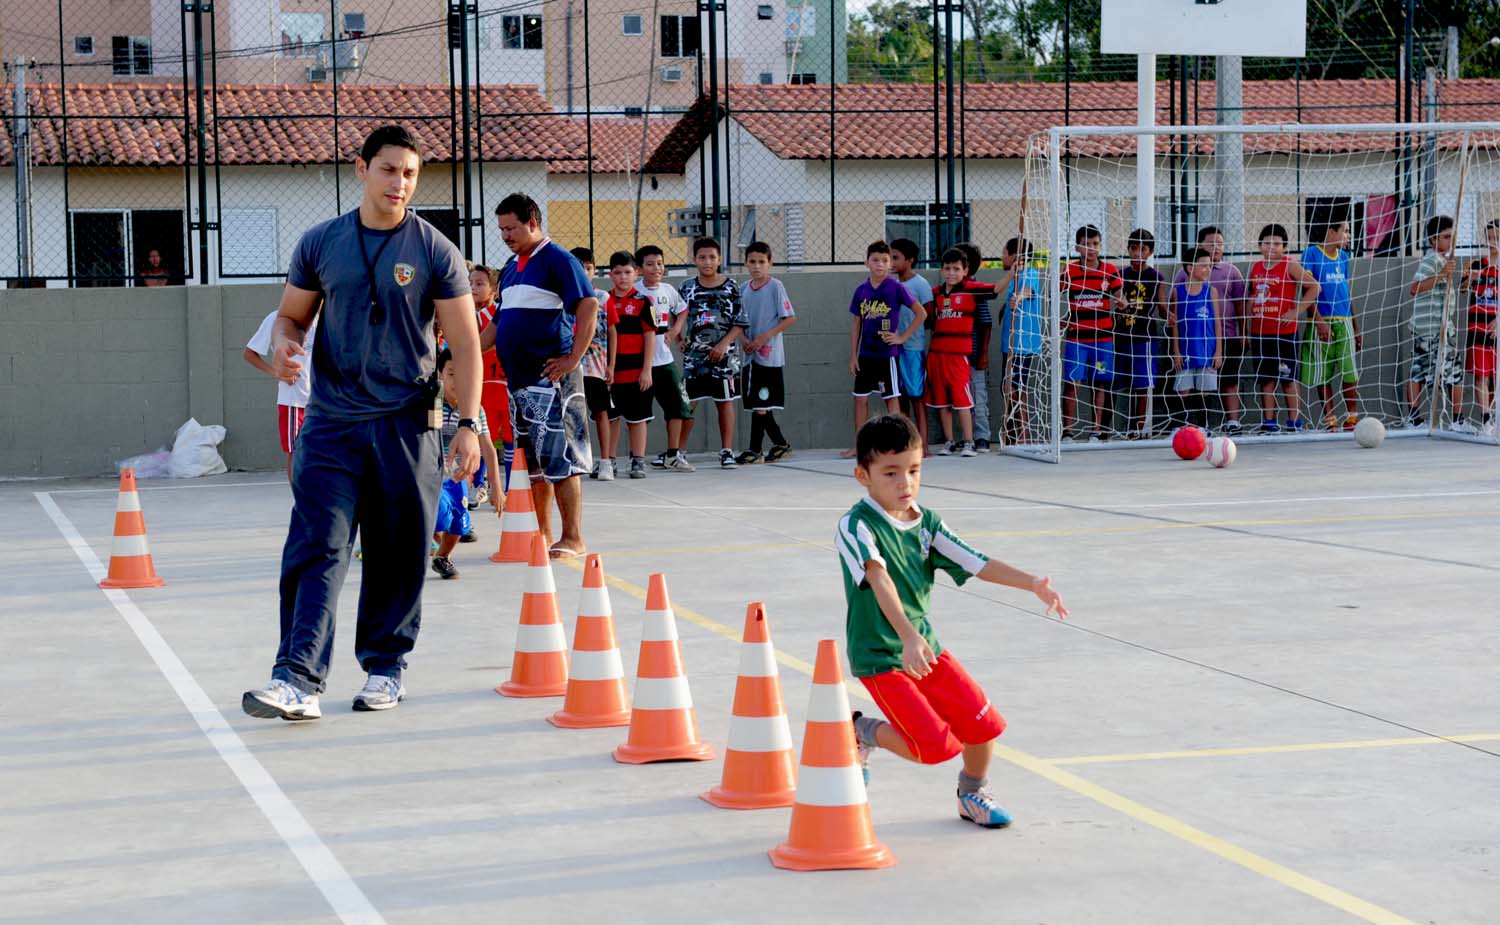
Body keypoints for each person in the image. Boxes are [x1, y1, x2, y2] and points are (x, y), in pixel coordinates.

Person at [241, 124, 481, 721]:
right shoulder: (321, 242)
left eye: (409, 173)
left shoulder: (435, 251)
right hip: (330, 423)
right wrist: (282, 344)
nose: (399, 182)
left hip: (406, 425)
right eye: (388, 169)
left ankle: (385, 667)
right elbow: (291, 318)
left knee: (398, 551)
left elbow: (466, 343)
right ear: (361, 168)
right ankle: (297, 678)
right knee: (316, 545)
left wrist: (469, 423)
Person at [838, 414, 1067, 827]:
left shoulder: (928, 523)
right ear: (862, 476)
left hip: (924, 647)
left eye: (913, 470)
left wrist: (1032, 583)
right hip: (881, 655)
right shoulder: (856, 525)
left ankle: (972, 793)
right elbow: (879, 579)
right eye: (890, 473)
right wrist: (907, 636)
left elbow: (976, 562)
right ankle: (863, 730)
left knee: (982, 725)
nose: (904, 483)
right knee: (932, 747)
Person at [480, 192, 597, 559]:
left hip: (552, 381)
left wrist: (572, 358)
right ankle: (544, 533)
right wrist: (461, 351)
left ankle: (573, 536)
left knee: (561, 459)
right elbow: (498, 324)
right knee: (532, 462)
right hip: (520, 383)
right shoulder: (513, 268)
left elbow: (589, 304)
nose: (505, 235)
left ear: (532, 221)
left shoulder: (558, 260)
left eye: (511, 228)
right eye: (500, 229)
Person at [843, 241, 927, 458]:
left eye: (885, 260)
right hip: (865, 355)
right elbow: (856, 323)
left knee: (891, 399)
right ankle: (860, 447)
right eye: (875, 260)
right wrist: (853, 354)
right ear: (867, 262)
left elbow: (922, 313)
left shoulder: (897, 288)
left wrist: (902, 337)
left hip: (886, 355)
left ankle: (898, 445)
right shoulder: (861, 290)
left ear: (890, 264)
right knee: (860, 399)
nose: (880, 265)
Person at [431, 348, 501, 579]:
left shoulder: (473, 410)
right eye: (451, 373)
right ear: (440, 374)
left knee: (459, 524)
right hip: (432, 474)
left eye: (463, 374)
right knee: (439, 514)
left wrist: (496, 488)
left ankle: (442, 557)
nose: (456, 380)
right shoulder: (434, 404)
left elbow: (489, 450)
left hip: (458, 478)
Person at [679, 237, 749, 469]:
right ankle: (678, 452)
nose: (707, 262)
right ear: (694, 260)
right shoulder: (686, 287)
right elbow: (676, 315)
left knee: (725, 402)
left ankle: (727, 451)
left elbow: (740, 321)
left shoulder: (731, 286)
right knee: (687, 403)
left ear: (719, 259)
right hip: (695, 358)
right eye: (702, 257)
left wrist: (723, 344)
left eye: (712, 257)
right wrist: (679, 338)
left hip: (725, 358)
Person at [1173, 227, 1247, 432]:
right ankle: (1188, 424)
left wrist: (1243, 332)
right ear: (1200, 246)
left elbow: (1240, 303)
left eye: (1220, 243)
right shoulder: (1183, 275)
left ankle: (1233, 422)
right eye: (1211, 243)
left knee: (1229, 380)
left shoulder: (1232, 271)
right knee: (1191, 384)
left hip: (1227, 335)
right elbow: (1174, 307)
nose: (1216, 247)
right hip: (1195, 340)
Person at [1247, 223, 1319, 433]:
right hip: (1261, 333)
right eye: (1267, 243)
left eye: (1277, 244)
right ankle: (1269, 421)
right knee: (1266, 380)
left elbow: (1315, 287)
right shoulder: (1256, 267)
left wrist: (1296, 311)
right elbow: (1253, 295)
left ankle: (1294, 421)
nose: (1271, 247)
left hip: (1284, 333)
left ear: (1284, 247)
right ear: (1260, 245)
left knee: (1288, 378)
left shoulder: (1290, 264)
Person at [635, 244, 696, 471]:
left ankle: (673, 454)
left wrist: (674, 331)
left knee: (678, 407)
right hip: (641, 362)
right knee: (639, 413)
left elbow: (682, 310)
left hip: (664, 360)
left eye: (659, 263)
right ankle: (637, 458)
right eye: (650, 264)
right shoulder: (636, 292)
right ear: (640, 269)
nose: (656, 268)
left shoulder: (669, 290)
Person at [736, 242, 797, 464]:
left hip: (768, 357)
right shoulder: (742, 289)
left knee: (760, 404)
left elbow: (789, 318)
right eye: (752, 262)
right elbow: (737, 323)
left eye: (762, 262)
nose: (757, 266)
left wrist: (764, 337)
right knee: (758, 403)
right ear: (746, 263)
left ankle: (755, 450)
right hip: (749, 356)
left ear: (770, 263)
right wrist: (744, 340)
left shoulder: (776, 286)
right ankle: (781, 444)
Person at [1062, 225, 1123, 441]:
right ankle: (1067, 432)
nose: (1091, 248)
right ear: (1078, 247)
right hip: (1077, 341)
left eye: (1095, 244)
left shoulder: (1110, 270)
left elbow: (1119, 293)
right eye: (1086, 245)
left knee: (1100, 383)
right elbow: (1054, 293)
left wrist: (1121, 300)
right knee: (1072, 383)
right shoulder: (1068, 271)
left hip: (1102, 341)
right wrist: (1063, 317)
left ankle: (1097, 430)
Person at [1301, 218, 1362, 431]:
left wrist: (1356, 327)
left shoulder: (1344, 257)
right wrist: (1318, 322)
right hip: (1321, 322)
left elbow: (1346, 291)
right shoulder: (1311, 254)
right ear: (1331, 232)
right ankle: (1330, 420)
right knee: (1322, 373)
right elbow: (1306, 290)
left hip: (1344, 322)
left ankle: (1352, 418)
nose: (1348, 236)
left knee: (1349, 372)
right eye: (1345, 231)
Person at [1403, 216, 1463, 430]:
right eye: (1446, 237)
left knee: (1423, 371)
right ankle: (1455, 420)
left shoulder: (1442, 261)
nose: (1451, 241)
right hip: (1431, 329)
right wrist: (1441, 275)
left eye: (1452, 236)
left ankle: (1416, 418)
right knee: (1451, 374)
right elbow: (1414, 288)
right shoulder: (1431, 261)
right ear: (1433, 240)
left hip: (1439, 327)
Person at [244, 309, 317, 480]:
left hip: (322, 400)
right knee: (295, 453)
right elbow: (249, 354)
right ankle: (298, 500)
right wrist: (277, 372)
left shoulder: (326, 317)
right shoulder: (276, 319)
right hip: (294, 401)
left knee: (324, 453)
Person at [603, 251, 657, 478]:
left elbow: (650, 336)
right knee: (611, 418)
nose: (623, 277)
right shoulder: (604, 301)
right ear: (610, 275)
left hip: (637, 372)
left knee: (638, 419)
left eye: (627, 272)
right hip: (610, 372)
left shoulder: (644, 302)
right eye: (617, 272)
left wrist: (647, 370)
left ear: (636, 273)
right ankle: (610, 460)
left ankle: (638, 461)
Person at [926, 249, 980, 457]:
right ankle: (949, 441)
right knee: (942, 402)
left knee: (963, 401)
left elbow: (996, 289)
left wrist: (1012, 273)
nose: (951, 273)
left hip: (959, 357)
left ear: (965, 271)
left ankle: (969, 442)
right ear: (941, 270)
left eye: (956, 269)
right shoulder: (935, 293)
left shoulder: (972, 290)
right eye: (947, 268)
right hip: (937, 355)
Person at [570, 247, 616, 480]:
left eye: (588, 268)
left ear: (594, 270)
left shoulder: (603, 298)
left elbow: (611, 331)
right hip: (571, 366)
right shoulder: (565, 295)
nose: (584, 271)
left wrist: (611, 365)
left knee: (601, 412)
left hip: (596, 367)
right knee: (573, 415)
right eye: (579, 267)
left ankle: (606, 461)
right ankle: (577, 461)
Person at [470, 263, 515, 492]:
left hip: (502, 386)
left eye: (479, 284)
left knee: (508, 438)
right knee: (481, 438)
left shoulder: (493, 314)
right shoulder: (472, 315)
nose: (473, 288)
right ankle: (479, 486)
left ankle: (509, 487)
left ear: (494, 290)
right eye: (470, 284)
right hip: (482, 388)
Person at [1119, 229, 1167, 439]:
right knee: (1120, 383)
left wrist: (1172, 316)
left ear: (1150, 252)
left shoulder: (1156, 277)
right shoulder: (1120, 274)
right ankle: (1109, 429)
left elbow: (1162, 307)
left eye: (1143, 249)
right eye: (1134, 248)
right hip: (1121, 336)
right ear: (1129, 249)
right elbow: (1113, 300)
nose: (1138, 252)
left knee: (1143, 385)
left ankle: (1139, 429)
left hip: (1144, 337)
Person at [1169, 247, 1225, 431]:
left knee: (1204, 391)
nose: (1208, 269)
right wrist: (1176, 351)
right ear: (1190, 267)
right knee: (1183, 390)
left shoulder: (1211, 292)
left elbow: (1217, 323)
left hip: (1207, 351)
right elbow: (1174, 325)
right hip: (1185, 350)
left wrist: (1218, 351)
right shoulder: (1178, 292)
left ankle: (1203, 427)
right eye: (1204, 266)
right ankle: (1181, 427)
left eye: (1210, 266)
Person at [889, 237, 933, 456]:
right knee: (901, 398)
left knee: (917, 398)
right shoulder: (890, 285)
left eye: (895, 258)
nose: (891, 262)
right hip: (893, 350)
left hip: (913, 349)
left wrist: (908, 335)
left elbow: (929, 315)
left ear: (910, 259)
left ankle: (923, 445)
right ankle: (908, 444)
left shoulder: (920, 285)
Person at [998, 236, 1043, 444]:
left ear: (1015, 256)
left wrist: (1019, 298)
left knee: (1017, 388)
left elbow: (1029, 290)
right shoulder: (1013, 277)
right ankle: (1014, 433)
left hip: (1022, 345)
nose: (1001, 256)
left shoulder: (1029, 273)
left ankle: (1024, 434)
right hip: (1010, 343)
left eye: (1004, 253)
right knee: (1009, 387)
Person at [955, 243, 998, 452]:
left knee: (978, 396)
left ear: (967, 266)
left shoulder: (976, 290)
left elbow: (986, 323)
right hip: (957, 356)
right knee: (964, 398)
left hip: (974, 355)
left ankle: (982, 436)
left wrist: (982, 353)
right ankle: (968, 436)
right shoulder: (951, 291)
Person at [1462, 219, 1500, 434]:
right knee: (1480, 375)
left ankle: (1493, 414)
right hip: (1478, 328)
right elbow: (1462, 290)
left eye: (1497, 238)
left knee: (1495, 378)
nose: (1493, 242)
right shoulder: (1477, 264)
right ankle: (1485, 418)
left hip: (1497, 328)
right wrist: (1468, 279)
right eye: (1490, 238)